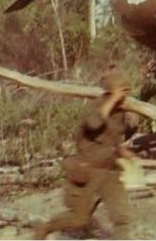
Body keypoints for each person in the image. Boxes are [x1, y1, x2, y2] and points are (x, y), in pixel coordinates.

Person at [35, 67, 137, 240]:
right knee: (79, 219)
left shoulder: (120, 112)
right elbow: (94, 124)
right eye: (122, 91)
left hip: (109, 172)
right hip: (87, 172)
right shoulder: (95, 106)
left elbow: (113, 140)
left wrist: (124, 152)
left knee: (121, 218)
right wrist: (112, 100)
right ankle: (46, 228)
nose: (124, 95)